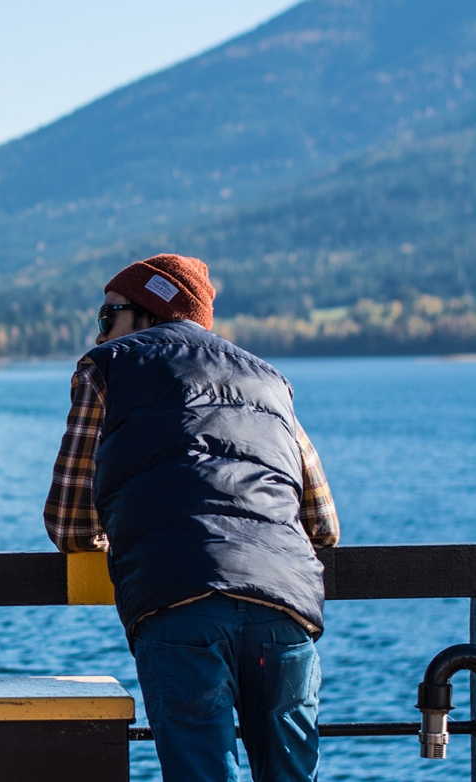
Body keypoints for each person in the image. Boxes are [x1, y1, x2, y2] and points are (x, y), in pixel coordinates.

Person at [43, 254, 339, 782]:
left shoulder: (106, 368)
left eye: (107, 316)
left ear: (148, 313)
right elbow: (323, 525)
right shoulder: (269, 379)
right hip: (284, 607)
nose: (101, 331)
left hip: (179, 598)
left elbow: (68, 524)